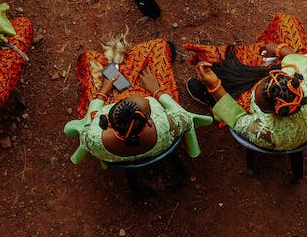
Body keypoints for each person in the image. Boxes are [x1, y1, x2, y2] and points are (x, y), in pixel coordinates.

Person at [185, 13, 307, 151]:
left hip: (288, 138)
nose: (254, 91)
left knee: (212, 79)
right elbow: (300, 61)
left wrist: (214, 85)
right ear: (290, 76)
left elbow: (237, 118)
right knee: (286, 22)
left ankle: (207, 96)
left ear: (274, 113)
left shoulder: (266, 133)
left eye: (257, 101)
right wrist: (279, 49)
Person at [64, 36, 211, 165]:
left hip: (110, 97)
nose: (131, 93)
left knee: (89, 58)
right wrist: (156, 91)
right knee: (160, 46)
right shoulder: (166, 124)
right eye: (146, 102)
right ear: (149, 121)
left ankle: (117, 68)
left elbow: (89, 120)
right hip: (154, 93)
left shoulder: (94, 138)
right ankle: (129, 65)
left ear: (107, 118)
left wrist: (103, 92)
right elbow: (185, 117)